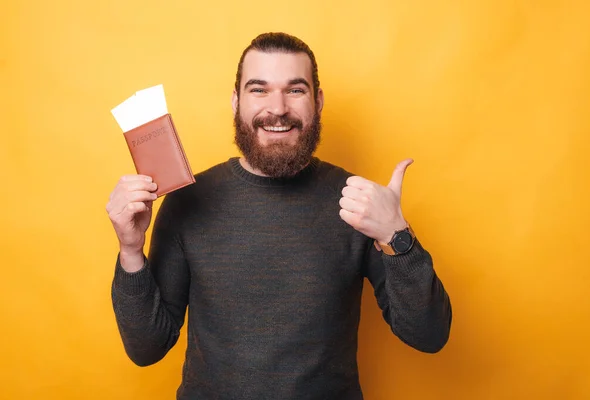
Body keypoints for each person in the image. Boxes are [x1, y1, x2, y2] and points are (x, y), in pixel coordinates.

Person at [106, 32, 452, 400]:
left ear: (317, 101)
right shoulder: (187, 201)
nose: (278, 107)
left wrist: (397, 235)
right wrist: (130, 249)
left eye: (295, 90)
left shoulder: (359, 202)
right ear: (236, 101)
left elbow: (429, 335)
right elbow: (147, 348)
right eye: (259, 89)